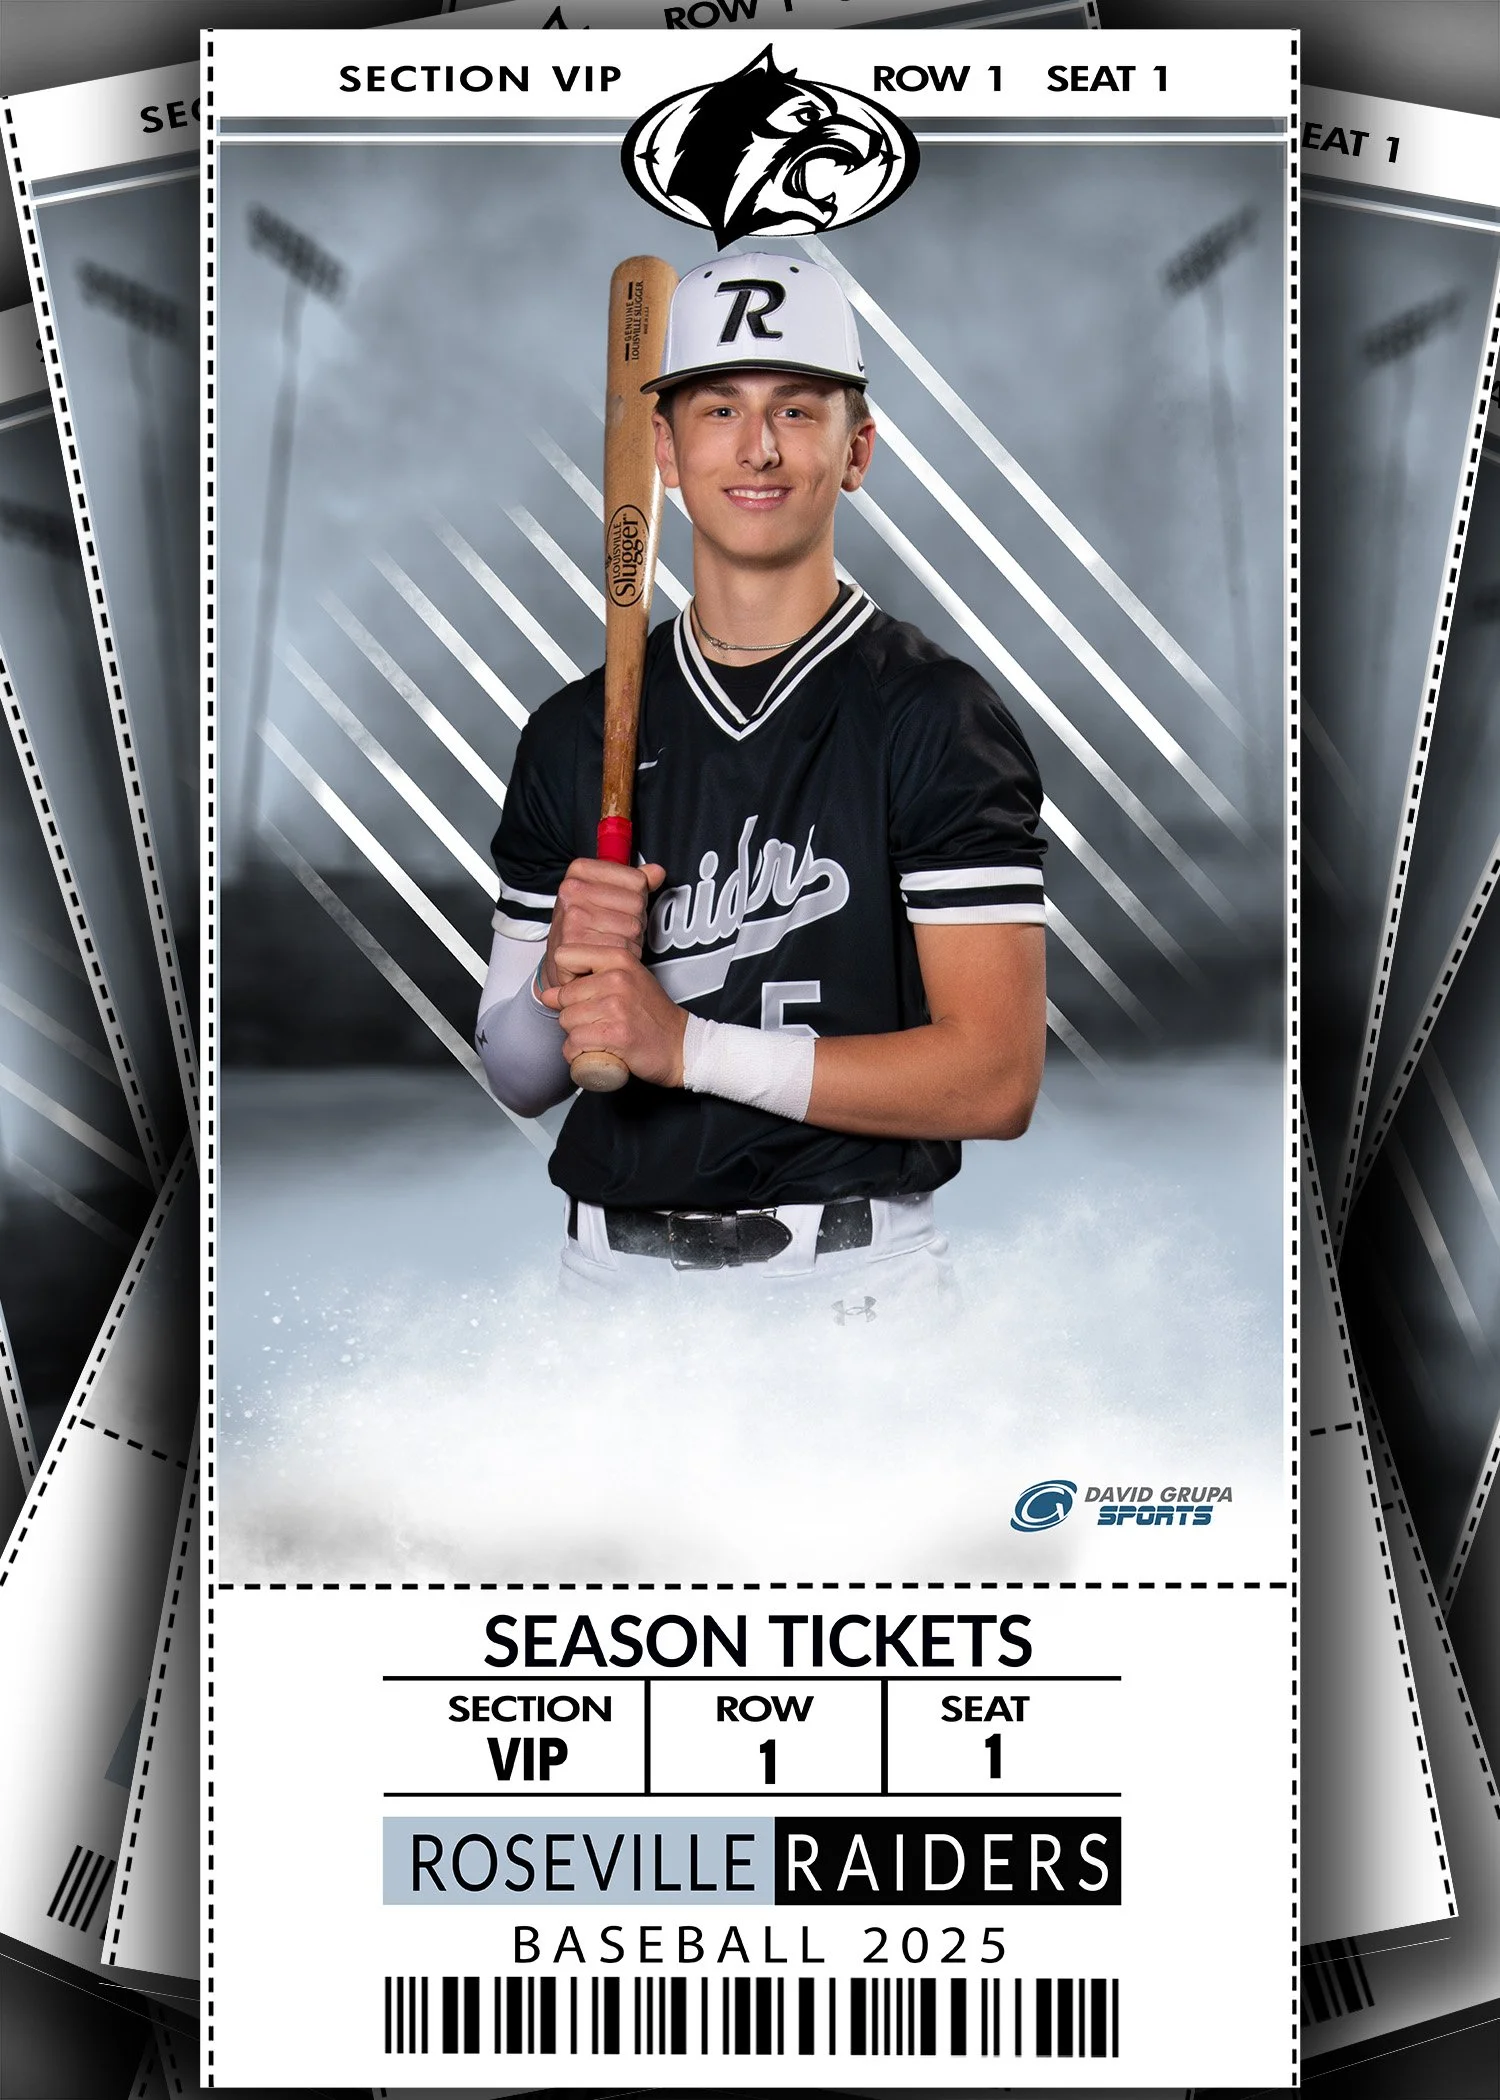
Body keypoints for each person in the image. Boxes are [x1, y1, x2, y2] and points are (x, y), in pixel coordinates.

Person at [475, 250, 1047, 1302]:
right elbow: (518, 1077)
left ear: (857, 448)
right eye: (719, 410)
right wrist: (563, 975)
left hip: (849, 1292)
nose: (757, 448)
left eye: (797, 411)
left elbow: (995, 1078)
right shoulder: (572, 731)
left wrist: (684, 1046)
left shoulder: (933, 718)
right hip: (608, 1296)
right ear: (665, 451)